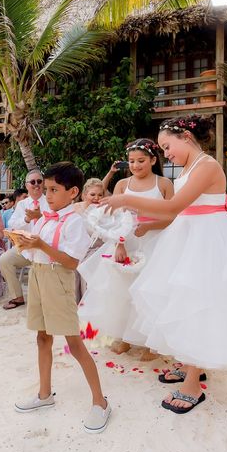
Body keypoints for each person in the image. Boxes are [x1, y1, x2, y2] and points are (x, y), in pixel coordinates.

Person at [101, 115, 227, 414]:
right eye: (162, 149)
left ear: (185, 138)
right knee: (181, 299)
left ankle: (192, 384)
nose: (166, 153)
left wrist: (126, 201)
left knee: (200, 300)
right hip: (189, 234)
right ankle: (191, 365)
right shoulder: (189, 166)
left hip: (208, 237)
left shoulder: (208, 165)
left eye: (167, 146)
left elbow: (174, 206)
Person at [12, 162, 111, 434]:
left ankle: (100, 402)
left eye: (54, 190)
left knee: (74, 343)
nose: (48, 195)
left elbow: (71, 262)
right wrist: (25, 240)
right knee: (42, 337)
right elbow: (36, 250)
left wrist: (41, 244)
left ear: (73, 192)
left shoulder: (75, 221)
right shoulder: (44, 217)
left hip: (58, 279)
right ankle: (44, 395)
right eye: (46, 190)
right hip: (38, 276)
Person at [79, 139, 174, 361]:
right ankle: (125, 338)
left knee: (150, 291)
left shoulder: (164, 184)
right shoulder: (122, 185)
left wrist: (149, 226)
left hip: (155, 241)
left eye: (141, 160)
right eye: (131, 161)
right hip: (126, 242)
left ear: (152, 160)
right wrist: (119, 243)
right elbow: (114, 218)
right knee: (122, 291)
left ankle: (151, 343)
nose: (135, 165)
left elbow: (172, 215)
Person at [0, 171, 50, 309]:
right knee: (4, 260)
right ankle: (17, 297)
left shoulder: (50, 201)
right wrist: (27, 219)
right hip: (26, 247)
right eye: (32, 182)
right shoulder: (22, 204)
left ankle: (44, 299)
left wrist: (40, 217)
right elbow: (12, 224)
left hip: (45, 247)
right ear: (27, 185)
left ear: (44, 183)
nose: (36, 185)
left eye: (39, 181)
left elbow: (56, 224)